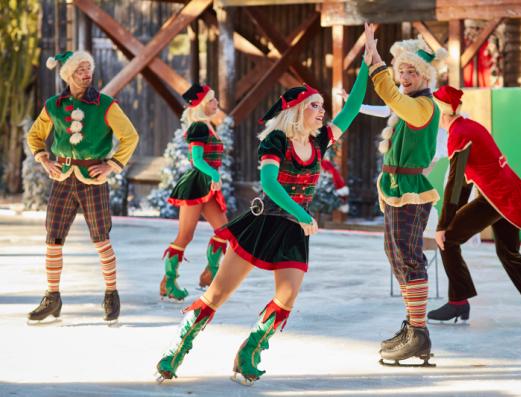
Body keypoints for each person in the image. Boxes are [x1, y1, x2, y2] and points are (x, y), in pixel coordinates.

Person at [154, 56, 369, 385]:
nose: (322, 110)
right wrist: (301, 212)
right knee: (217, 294)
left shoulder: (320, 140)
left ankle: (250, 350)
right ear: (298, 109)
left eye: (322, 105)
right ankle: (178, 349)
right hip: (263, 222)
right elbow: (270, 184)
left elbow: (352, 108)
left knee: (287, 298)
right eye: (315, 105)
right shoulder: (276, 141)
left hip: (294, 233)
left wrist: (368, 62)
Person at [428, 85, 521, 323]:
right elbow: (463, 183)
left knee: (449, 240)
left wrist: (443, 225)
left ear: (441, 113)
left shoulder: (459, 134)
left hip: (496, 198)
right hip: (506, 195)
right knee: (509, 253)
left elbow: (455, 184)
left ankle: (458, 302)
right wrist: (450, 218)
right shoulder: (468, 127)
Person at [26, 50, 139, 324]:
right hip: (62, 179)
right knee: (53, 240)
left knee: (101, 239)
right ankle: (52, 298)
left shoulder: (105, 105)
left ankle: (111, 294)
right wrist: (44, 160)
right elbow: (35, 135)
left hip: (93, 180)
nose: (87, 73)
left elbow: (130, 136)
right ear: (68, 75)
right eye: (80, 70)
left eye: (89, 68)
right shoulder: (54, 105)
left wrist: (111, 165)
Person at [363, 23, 446, 366]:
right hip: (397, 189)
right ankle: (414, 326)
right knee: (396, 254)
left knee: (409, 257)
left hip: (411, 191)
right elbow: (392, 96)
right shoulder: (411, 103)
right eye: (402, 71)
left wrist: (377, 62)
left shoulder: (422, 107)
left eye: (412, 70)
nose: (406, 76)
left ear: (425, 76)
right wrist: (373, 56)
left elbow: (390, 96)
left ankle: (419, 332)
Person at [159, 84, 229, 302]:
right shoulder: (198, 127)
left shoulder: (208, 126)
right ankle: (168, 282)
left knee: (224, 232)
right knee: (185, 235)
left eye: (215, 99)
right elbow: (197, 160)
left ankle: (210, 275)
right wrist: (215, 175)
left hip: (207, 184)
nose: (216, 103)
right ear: (200, 105)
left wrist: (213, 177)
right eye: (211, 100)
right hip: (196, 185)